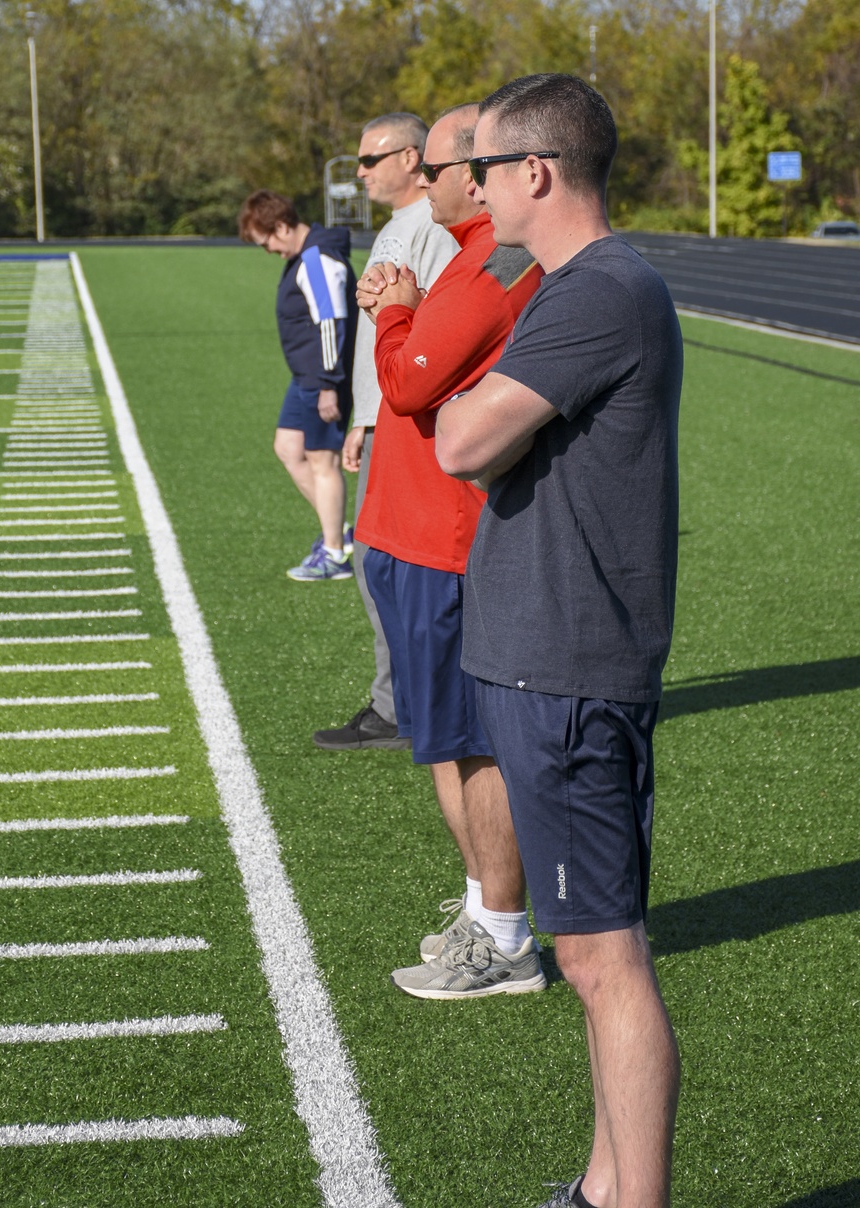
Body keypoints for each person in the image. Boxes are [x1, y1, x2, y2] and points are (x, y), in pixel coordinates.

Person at [434, 75, 683, 1208]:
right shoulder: (570, 285)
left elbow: (459, 439)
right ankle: (598, 1187)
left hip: (572, 663)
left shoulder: (598, 292)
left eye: (482, 167)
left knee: (599, 956)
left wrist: (459, 411)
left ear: (534, 172)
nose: (473, 189)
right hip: (544, 655)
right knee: (589, 954)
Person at [353, 104, 547, 997]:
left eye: (431, 170)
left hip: (441, 538)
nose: (421, 185)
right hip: (409, 532)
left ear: (475, 175)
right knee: (441, 741)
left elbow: (409, 380)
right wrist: (404, 309)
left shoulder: (492, 266)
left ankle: (505, 934)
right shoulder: (468, 263)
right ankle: (484, 911)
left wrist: (396, 316)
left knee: (468, 745)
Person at [313, 113, 457, 750]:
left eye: (371, 159)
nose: (361, 171)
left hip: (408, 418)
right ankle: (404, 703)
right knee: (383, 566)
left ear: (411, 157)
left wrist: (380, 416)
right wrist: (361, 417)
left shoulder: (429, 224)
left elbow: (426, 326)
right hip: (384, 415)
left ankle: (405, 708)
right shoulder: (403, 226)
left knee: (394, 567)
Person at [238, 189, 358, 581]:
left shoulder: (316, 260)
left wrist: (328, 384)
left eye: (267, 241)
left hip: (323, 379)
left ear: (283, 226)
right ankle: (335, 529)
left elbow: (331, 324)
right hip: (306, 377)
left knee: (323, 461)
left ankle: (335, 554)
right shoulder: (303, 256)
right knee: (288, 448)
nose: (268, 250)